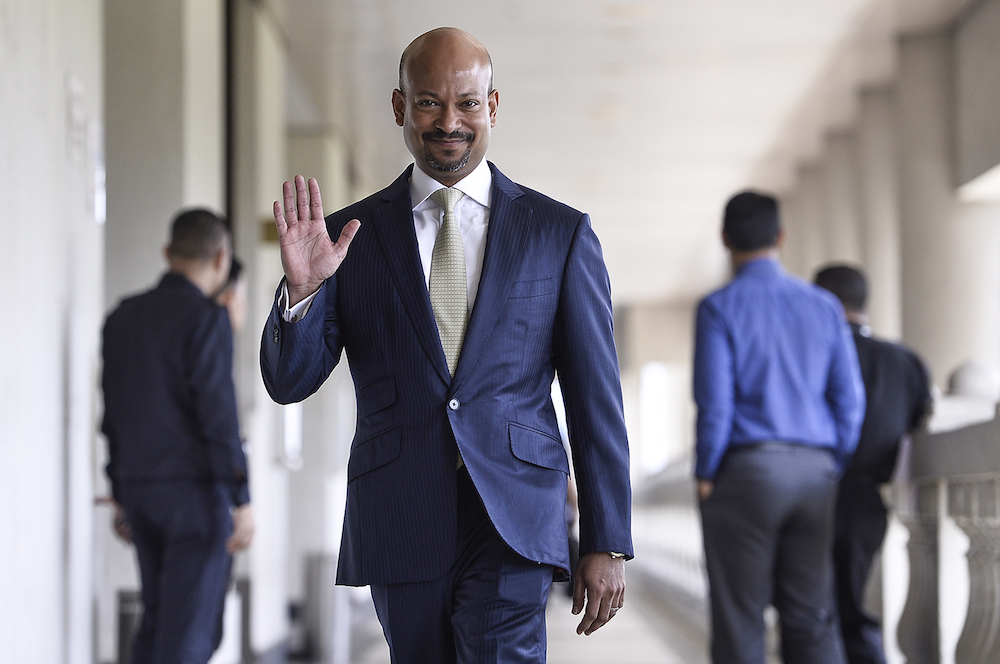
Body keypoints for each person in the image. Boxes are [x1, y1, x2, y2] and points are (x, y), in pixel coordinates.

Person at [259, 27, 631, 664]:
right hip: (400, 507)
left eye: (467, 103)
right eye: (429, 102)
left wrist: (607, 537)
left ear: (493, 107)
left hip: (514, 512)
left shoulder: (558, 233)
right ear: (399, 107)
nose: (449, 122)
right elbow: (289, 381)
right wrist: (303, 290)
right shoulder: (349, 238)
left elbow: (595, 397)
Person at [693, 191, 866, 664]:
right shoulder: (824, 306)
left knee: (741, 618)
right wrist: (831, 461)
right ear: (781, 237)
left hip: (747, 473)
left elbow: (715, 405)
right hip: (815, 474)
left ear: (725, 239)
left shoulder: (718, 307)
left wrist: (706, 471)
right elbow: (850, 401)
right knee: (810, 615)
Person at [102, 209, 254, 664]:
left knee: (155, 628)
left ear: (168, 253)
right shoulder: (207, 319)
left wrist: (120, 491)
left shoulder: (122, 318)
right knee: (189, 637)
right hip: (195, 500)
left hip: (140, 494)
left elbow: (113, 413)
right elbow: (218, 418)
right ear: (221, 259)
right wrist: (241, 498)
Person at [814, 265, 931, 664]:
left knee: (816, 607)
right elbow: (920, 424)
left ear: (823, 302)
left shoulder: (815, 355)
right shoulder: (905, 361)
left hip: (812, 492)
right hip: (868, 499)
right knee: (853, 600)